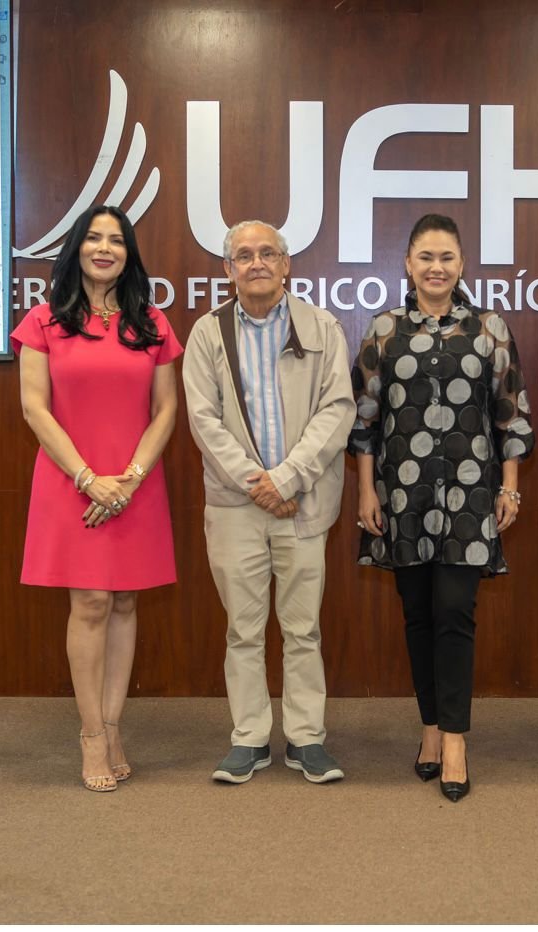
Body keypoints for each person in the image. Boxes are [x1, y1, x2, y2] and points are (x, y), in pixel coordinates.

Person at [349, 213, 533, 803]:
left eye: (446, 257)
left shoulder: (489, 328)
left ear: (461, 264)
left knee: (455, 611)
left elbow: (511, 413)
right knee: (418, 615)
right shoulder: (384, 330)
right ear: (408, 263)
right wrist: (366, 491)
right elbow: (364, 420)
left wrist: (509, 487)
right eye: (425, 257)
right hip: (402, 497)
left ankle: (454, 740)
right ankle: (429, 728)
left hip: (471, 496)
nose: (436, 268)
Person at [12, 204, 182, 792]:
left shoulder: (151, 323)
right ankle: (89, 735)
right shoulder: (44, 321)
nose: (104, 248)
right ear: (77, 248)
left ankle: (112, 727)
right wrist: (89, 479)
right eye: (94, 238)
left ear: (129, 254)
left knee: (125, 602)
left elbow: (166, 410)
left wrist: (129, 479)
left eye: (116, 240)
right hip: (71, 480)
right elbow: (35, 409)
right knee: (89, 602)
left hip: (135, 482)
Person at [184, 219, 354, 785]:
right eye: (243, 255)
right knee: (243, 629)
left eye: (267, 253)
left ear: (286, 264)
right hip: (234, 507)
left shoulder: (321, 327)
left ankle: (307, 738)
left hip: (303, 503)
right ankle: (250, 738)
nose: (255, 263)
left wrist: (286, 480)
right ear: (227, 269)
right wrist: (256, 482)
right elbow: (203, 420)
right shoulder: (207, 333)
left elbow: (337, 410)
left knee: (303, 629)